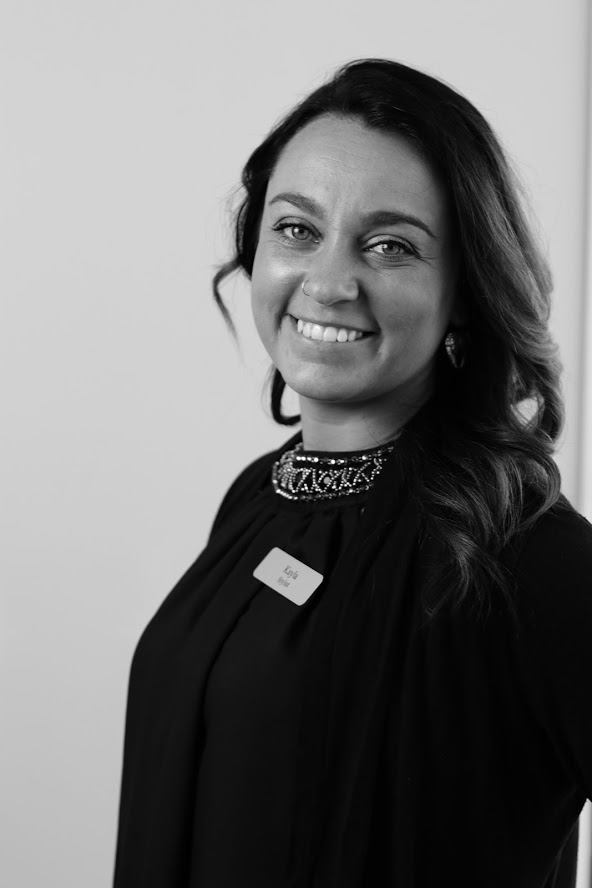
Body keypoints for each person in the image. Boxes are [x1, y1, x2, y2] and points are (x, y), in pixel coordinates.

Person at [112, 58, 592, 888]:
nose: (330, 283)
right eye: (297, 229)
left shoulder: (523, 554)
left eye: (390, 245)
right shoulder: (255, 500)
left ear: (465, 288)